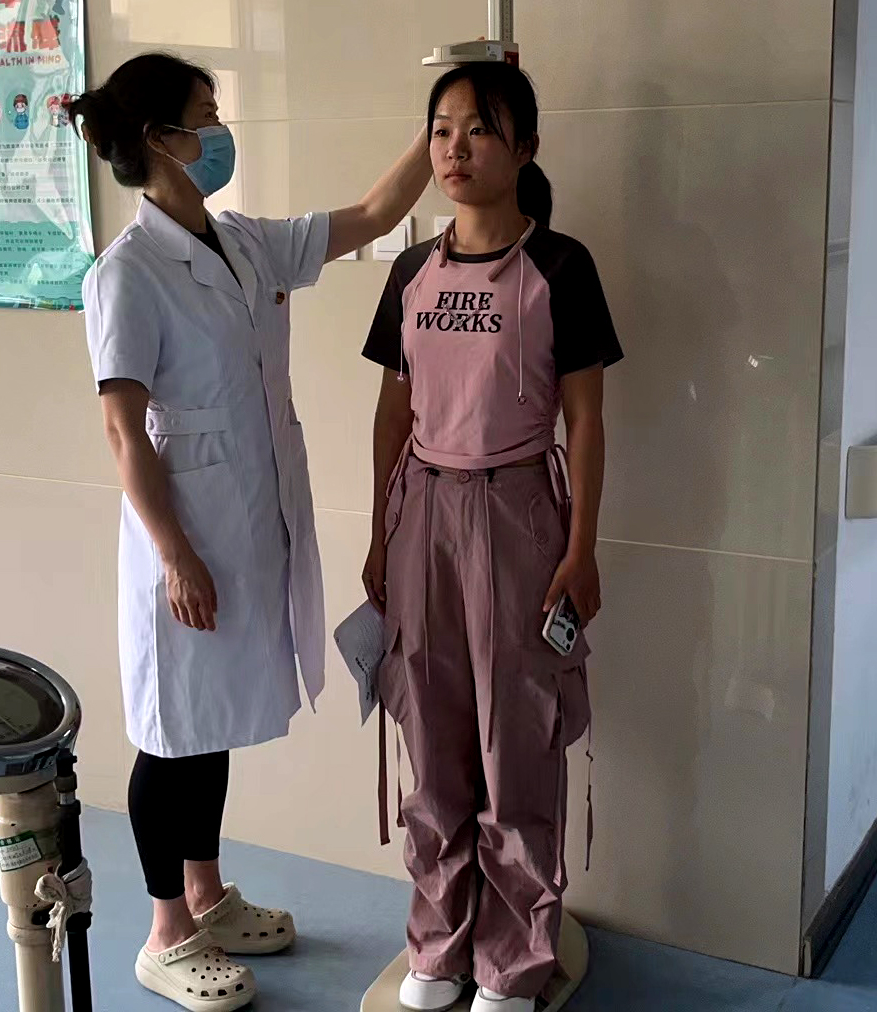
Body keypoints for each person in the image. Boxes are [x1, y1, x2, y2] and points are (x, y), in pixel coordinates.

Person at [69, 52, 431, 1012]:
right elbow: (122, 429)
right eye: (205, 115)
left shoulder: (240, 243)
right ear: (160, 140)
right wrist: (175, 555)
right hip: (184, 533)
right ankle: (164, 933)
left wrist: (439, 123)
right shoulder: (127, 272)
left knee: (213, 718)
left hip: (246, 518)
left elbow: (373, 215)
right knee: (171, 735)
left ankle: (207, 894)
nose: (219, 130)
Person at [361, 61, 622, 1012]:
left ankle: (513, 959)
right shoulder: (410, 273)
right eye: (442, 129)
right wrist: (380, 532)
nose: (456, 148)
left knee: (516, 736)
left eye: (478, 128)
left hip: (518, 512)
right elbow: (393, 412)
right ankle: (438, 944)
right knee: (431, 731)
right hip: (423, 510)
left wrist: (581, 545)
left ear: (525, 148)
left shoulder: (562, 267)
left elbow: (585, 419)